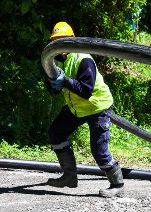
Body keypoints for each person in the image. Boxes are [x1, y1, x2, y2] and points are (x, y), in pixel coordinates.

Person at [44, 21, 125, 198]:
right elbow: (54, 91)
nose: (60, 45)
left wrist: (64, 81)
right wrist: (53, 84)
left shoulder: (83, 59)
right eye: (56, 41)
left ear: (72, 40)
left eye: (63, 40)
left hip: (97, 106)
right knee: (56, 132)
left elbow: (86, 91)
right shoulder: (55, 61)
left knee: (98, 150)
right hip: (77, 108)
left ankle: (117, 184)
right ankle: (69, 176)